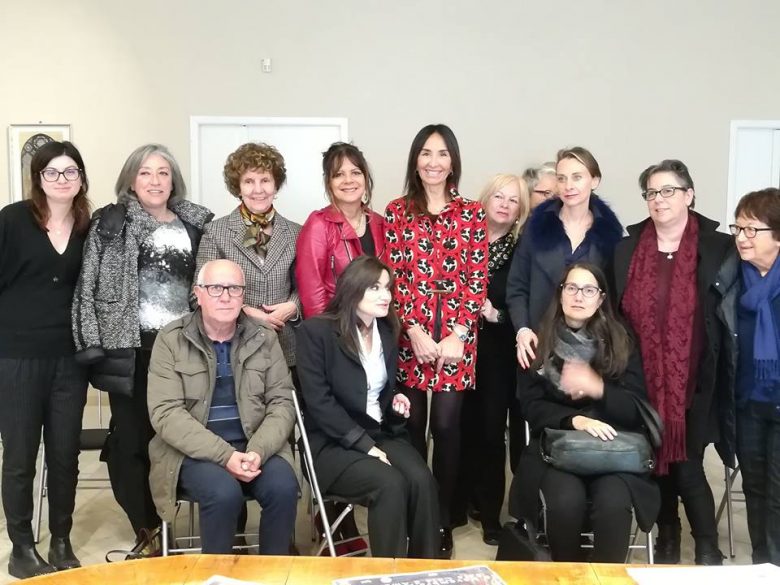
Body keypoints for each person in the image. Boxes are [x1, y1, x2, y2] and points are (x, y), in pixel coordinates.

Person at [72, 144, 213, 550]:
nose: (155, 181)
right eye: (145, 173)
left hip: (184, 349)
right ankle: (147, 529)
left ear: (173, 181)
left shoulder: (196, 224)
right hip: (130, 351)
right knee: (133, 441)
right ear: (131, 180)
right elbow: (87, 285)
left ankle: (178, 521)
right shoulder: (111, 223)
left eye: (163, 173)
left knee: (180, 436)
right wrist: (90, 342)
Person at [612, 159, 733, 564]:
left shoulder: (717, 247)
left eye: (668, 190)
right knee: (655, 463)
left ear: (689, 195)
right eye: (651, 192)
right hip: (640, 379)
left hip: (697, 380)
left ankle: (707, 546)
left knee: (687, 465)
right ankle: (667, 535)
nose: (659, 199)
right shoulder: (627, 249)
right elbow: (616, 315)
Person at [384, 124, 488, 558]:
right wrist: (413, 330)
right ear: (415, 160)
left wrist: (458, 334)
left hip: (457, 340)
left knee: (446, 427)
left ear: (453, 161)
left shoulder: (472, 212)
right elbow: (393, 278)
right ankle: (416, 517)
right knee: (411, 427)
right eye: (425, 153)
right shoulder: (397, 212)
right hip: (412, 335)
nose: (433, 161)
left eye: (442, 153)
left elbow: (477, 277)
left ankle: (443, 519)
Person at [509, 263, 660, 563]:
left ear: (601, 298)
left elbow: (636, 410)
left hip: (613, 449)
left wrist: (597, 388)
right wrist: (573, 420)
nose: (579, 296)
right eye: (572, 288)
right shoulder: (538, 342)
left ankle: (606, 580)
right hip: (557, 447)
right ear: (561, 294)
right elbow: (531, 406)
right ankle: (569, 577)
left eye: (589, 290)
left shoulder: (622, 341)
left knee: (613, 504)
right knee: (565, 502)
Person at [147, 259, 298, 554]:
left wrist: (257, 451)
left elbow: (282, 402)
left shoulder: (264, 337)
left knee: (284, 487)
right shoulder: (171, 339)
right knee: (223, 493)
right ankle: (217, 573)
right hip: (192, 453)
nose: (226, 296)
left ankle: (273, 572)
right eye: (216, 288)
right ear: (198, 293)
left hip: (255, 446)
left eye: (234, 288)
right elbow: (165, 413)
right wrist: (226, 456)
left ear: (243, 295)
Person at [296, 255, 440, 558]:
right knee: (390, 484)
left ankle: (425, 568)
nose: (385, 295)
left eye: (387, 288)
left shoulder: (387, 330)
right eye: (375, 287)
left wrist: (395, 399)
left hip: (379, 432)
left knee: (422, 480)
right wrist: (363, 445)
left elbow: (376, 387)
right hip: (332, 443)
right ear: (353, 288)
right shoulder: (316, 332)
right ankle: (388, 572)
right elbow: (319, 403)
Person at [0, 141, 91, 578]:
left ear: (81, 178)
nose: (62, 179)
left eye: (70, 171)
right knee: (20, 456)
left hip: (70, 359)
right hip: (16, 356)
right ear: (38, 178)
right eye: (52, 172)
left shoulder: (88, 225)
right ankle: (21, 546)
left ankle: (60, 538)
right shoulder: (12, 220)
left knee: (65, 454)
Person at [454, 174, 530, 544]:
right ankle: (456, 505)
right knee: (457, 428)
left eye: (513, 200)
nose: (504, 204)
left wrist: (494, 314)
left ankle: (489, 515)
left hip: (498, 352)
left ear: (520, 211)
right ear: (484, 200)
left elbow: (527, 306)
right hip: (457, 348)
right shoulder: (462, 240)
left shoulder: (520, 252)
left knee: (490, 432)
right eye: (498, 196)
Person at [507, 146, 622, 371]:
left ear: (594, 181)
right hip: (538, 346)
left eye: (577, 177)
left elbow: (613, 299)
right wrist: (522, 329)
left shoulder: (611, 234)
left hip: (591, 351)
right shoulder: (535, 227)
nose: (568, 186)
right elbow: (517, 286)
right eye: (562, 178)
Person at [195, 142, 301, 377]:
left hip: (285, 347)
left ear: (276, 184)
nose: (258, 189)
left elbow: (305, 287)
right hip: (233, 347)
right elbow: (198, 294)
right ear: (238, 187)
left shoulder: (296, 232)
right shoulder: (216, 232)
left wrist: (293, 307)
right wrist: (244, 311)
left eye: (265, 180)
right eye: (249, 181)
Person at [717, 188, 780, 565]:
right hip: (747, 402)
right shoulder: (731, 279)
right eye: (738, 228)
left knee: (777, 494)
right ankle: (762, 566)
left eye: (752, 229)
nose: (741, 237)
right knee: (755, 489)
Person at [296, 142, 386, 318]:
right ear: (329, 182)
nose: (348, 180)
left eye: (356, 172)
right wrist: (325, 332)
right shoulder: (318, 225)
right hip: (337, 325)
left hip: (378, 324)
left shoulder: (379, 222)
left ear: (365, 177)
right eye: (338, 174)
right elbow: (312, 295)